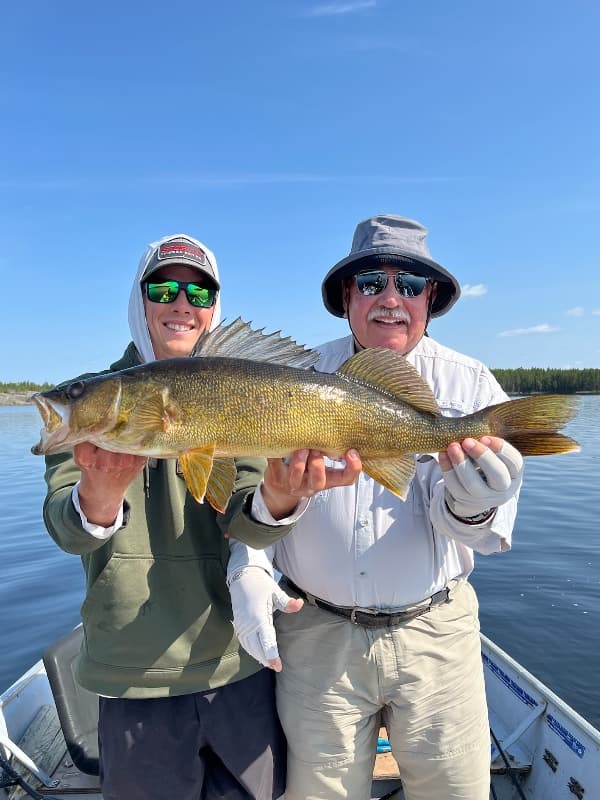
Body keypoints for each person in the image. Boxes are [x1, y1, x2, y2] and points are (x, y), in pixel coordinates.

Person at [227, 215, 525, 800]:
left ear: (430, 299)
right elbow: (248, 502)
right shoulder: (290, 380)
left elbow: (485, 536)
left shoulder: (473, 386)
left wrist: (475, 501)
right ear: (346, 296)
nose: (391, 299)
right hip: (316, 639)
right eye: (371, 282)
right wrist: (253, 556)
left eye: (410, 284)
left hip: (436, 635)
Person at [41, 233, 315, 800]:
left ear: (213, 308)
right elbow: (66, 530)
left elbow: (246, 518)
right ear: (139, 302)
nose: (180, 303)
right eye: (162, 288)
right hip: (133, 675)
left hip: (236, 669)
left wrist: (283, 496)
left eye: (198, 291)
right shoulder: (96, 408)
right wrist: (100, 495)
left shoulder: (239, 392)